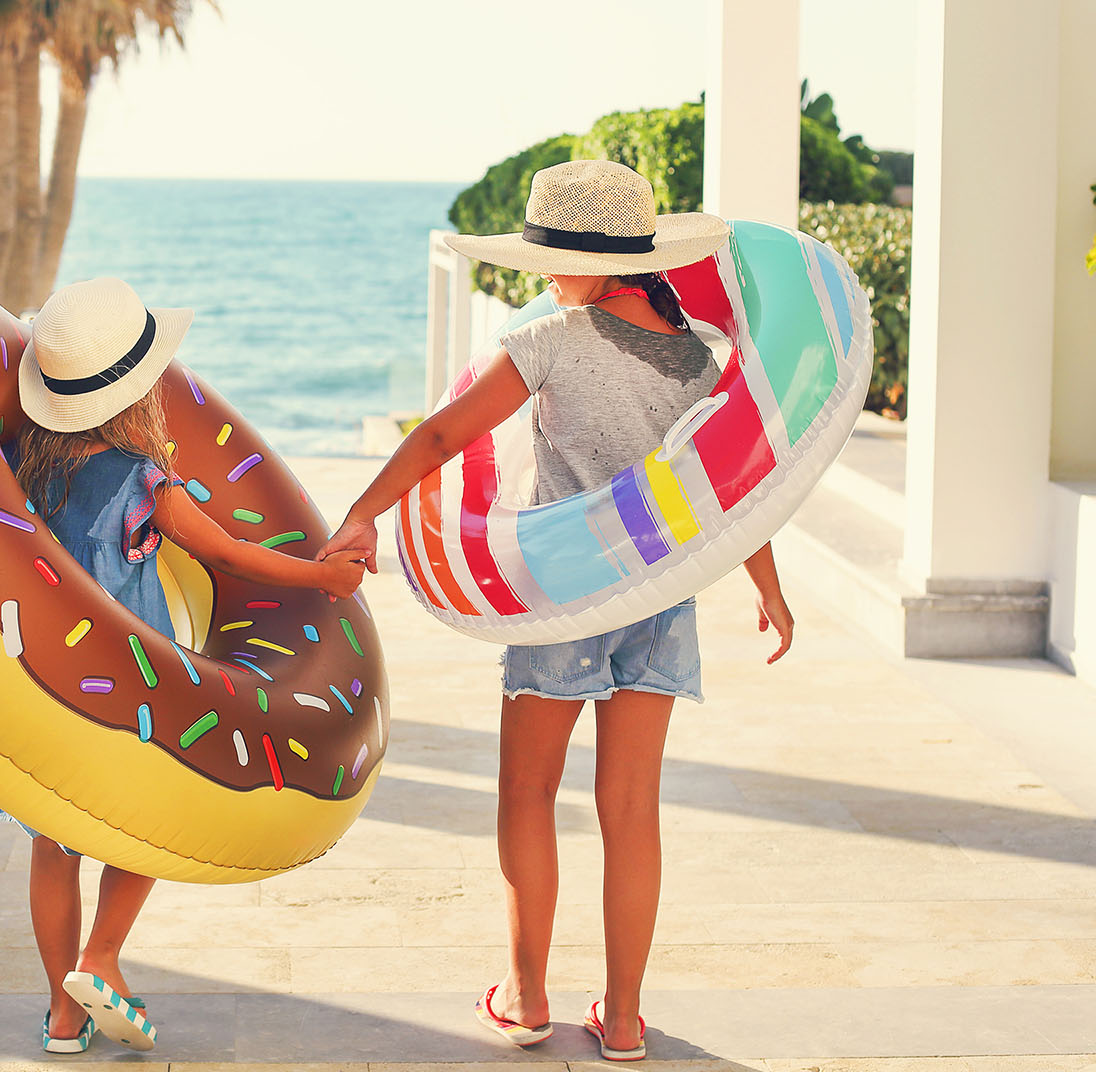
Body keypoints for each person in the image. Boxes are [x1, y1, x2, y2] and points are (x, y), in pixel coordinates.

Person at [318, 161, 793, 1063]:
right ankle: (621, 1019)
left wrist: (362, 514)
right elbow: (725, 490)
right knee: (631, 808)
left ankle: (526, 996)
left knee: (529, 791)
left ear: (594, 259)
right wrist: (767, 587)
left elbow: (443, 432)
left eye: (550, 257)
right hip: (659, 601)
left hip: (565, 598)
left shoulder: (554, 339)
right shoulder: (699, 360)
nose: (540, 275)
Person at [5, 277, 369, 1054]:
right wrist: (325, 578)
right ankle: (101, 957)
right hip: (134, 690)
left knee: (52, 846)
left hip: (46, 690)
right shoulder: (146, 483)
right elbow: (233, 554)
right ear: (136, 394)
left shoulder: (21, 471)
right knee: (147, 828)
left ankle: (62, 1017)